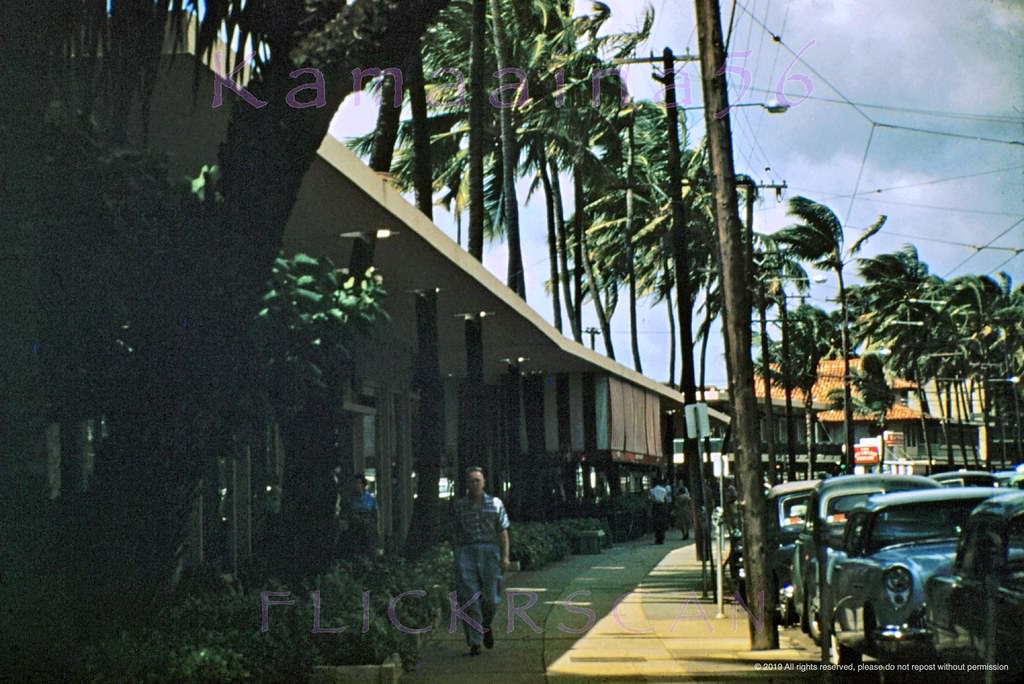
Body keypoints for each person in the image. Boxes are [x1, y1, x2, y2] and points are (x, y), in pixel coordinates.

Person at [450, 466, 510, 656]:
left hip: (489, 552)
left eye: (478, 480)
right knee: (469, 598)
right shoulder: (459, 506)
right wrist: (457, 552)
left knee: (491, 598)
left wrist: (505, 556)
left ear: (484, 482)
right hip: (466, 552)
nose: (475, 484)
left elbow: (503, 531)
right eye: (471, 481)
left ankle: (485, 624)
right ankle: (475, 641)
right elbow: (454, 531)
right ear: (467, 484)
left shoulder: (495, 504)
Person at [336, 472, 379, 555]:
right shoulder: (350, 499)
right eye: (354, 483)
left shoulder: (370, 499)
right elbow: (345, 514)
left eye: (358, 483)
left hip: (367, 528)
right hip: (354, 529)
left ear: (363, 485)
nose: (356, 485)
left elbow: (375, 514)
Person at [648, 477, 672, 544]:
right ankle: (662, 538)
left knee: (656, 523)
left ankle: (657, 538)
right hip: (662, 506)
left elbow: (651, 499)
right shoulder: (663, 490)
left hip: (655, 506)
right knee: (662, 522)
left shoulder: (652, 490)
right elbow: (666, 499)